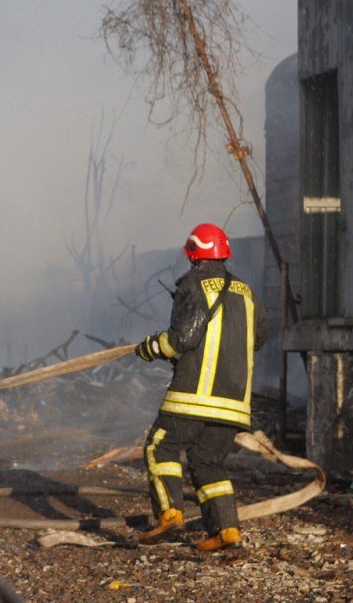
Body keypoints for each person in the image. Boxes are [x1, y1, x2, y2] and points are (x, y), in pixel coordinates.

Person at [134, 222, 268, 551]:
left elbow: (183, 338)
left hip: (193, 396)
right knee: (208, 461)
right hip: (234, 402)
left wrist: (151, 347)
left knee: (159, 446)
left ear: (193, 253)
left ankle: (169, 514)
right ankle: (226, 531)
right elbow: (259, 338)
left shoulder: (193, 284)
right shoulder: (247, 292)